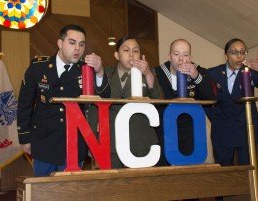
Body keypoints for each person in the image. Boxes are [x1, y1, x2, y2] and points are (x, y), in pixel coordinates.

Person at [17, 24, 110, 176]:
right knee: (43, 193)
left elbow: (104, 98)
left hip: (73, 145)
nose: (77, 49)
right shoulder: (38, 68)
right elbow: (24, 105)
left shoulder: (86, 69)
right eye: (72, 42)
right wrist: (24, 137)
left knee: (69, 193)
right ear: (60, 43)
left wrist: (99, 72)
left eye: (81, 44)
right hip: (43, 142)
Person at [205, 38, 258, 200]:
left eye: (242, 52)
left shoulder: (250, 72)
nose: (239, 56)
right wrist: (215, 120)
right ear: (226, 55)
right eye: (234, 52)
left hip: (246, 131)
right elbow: (204, 100)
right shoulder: (212, 73)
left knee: (247, 174)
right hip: (222, 132)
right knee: (223, 173)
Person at [88, 36, 161, 168]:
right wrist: (92, 141)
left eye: (136, 51)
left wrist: (148, 74)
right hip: (111, 144)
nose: (131, 54)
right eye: (126, 50)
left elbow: (159, 100)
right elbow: (94, 108)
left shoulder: (148, 74)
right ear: (117, 55)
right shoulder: (105, 74)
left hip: (141, 142)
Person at [154, 39, 217, 166]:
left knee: (188, 172)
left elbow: (212, 97)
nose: (181, 59)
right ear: (169, 56)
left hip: (190, 131)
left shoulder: (199, 71)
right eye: (176, 54)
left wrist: (196, 76)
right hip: (163, 131)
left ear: (191, 57)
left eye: (185, 55)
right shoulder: (157, 73)